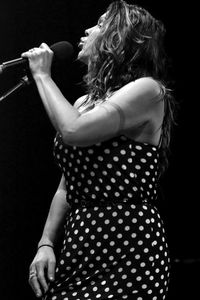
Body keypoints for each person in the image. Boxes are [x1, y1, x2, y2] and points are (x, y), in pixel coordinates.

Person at [23, 1, 176, 299]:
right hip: (80, 241)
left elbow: (74, 131)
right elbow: (67, 186)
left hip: (128, 245)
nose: (88, 30)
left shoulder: (149, 90)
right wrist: (45, 242)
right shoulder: (82, 105)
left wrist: (43, 76)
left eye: (100, 24)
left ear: (121, 37)